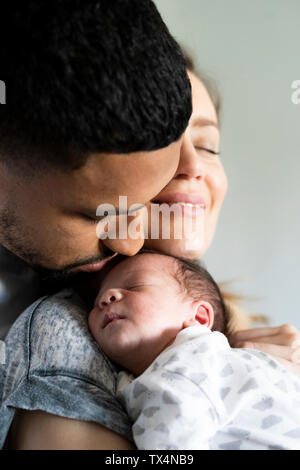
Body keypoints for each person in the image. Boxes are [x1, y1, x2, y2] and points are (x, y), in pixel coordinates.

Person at [1, 1, 300, 447]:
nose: (192, 167)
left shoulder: (250, 339)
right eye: (166, 151)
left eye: (209, 145)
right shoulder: (64, 329)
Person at [88, 250, 300, 450]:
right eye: (96, 303)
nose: (107, 297)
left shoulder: (188, 362)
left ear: (198, 318)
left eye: (134, 287)